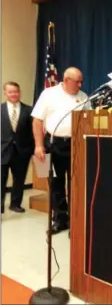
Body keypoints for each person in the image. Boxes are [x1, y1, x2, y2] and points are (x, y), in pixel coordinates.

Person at [32, 67, 91, 234]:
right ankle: (60, 220)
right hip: (52, 143)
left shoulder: (83, 97)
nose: (80, 85)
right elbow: (37, 121)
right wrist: (38, 145)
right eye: (77, 81)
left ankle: (76, 221)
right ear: (66, 80)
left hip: (75, 145)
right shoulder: (49, 94)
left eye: (81, 81)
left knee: (75, 185)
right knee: (55, 184)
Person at [1, 81, 34, 214]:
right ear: (5, 93)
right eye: (10, 92)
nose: (14, 94)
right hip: (2, 151)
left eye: (16, 91)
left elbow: (33, 131)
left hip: (22, 151)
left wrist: (32, 149)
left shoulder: (29, 110)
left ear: (19, 92)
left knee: (19, 179)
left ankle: (15, 204)